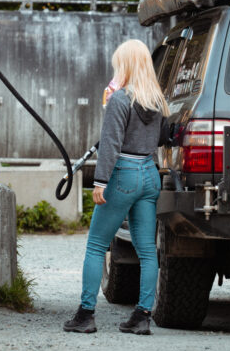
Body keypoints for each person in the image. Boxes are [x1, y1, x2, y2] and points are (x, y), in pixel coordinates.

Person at [63, 39, 169, 335]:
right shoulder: (157, 101)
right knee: (147, 250)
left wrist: (100, 181)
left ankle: (85, 315)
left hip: (123, 174)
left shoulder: (120, 100)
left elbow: (110, 144)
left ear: (126, 65)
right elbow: (160, 137)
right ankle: (142, 316)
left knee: (96, 245)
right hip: (149, 173)